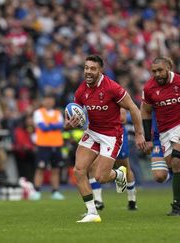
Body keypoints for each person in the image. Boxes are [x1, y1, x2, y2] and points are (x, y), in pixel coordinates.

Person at [64, 55, 145, 223]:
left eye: (93, 69)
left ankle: (118, 174)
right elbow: (74, 116)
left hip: (111, 135)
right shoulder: (81, 90)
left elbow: (133, 108)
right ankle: (92, 213)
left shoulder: (112, 88)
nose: (88, 71)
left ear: (100, 70)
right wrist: (69, 124)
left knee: (101, 177)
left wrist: (139, 134)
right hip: (92, 132)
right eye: (86, 68)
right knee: (79, 171)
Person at [140, 56, 180, 216]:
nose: (157, 74)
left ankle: (176, 206)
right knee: (168, 172)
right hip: (162, 132)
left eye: (160, 70)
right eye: (154, 71)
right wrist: (147, 139)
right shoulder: (149, 88)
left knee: (176, 162)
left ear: (169, 67)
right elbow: (146, 111)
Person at [90, 109, 138, 211]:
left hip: (117, 135)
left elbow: (123, 119)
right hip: (100, 135)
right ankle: (98, 200)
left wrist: (103, 118)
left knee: (125, 167)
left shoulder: (115, 98)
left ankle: (132, 200)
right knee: (93, 165)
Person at [31, 94, 65, 200]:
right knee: (40, 168)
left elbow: (61, 125)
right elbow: (42, 127)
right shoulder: (38, 112)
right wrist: (54, 125)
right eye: (47, 99)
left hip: (57, 144)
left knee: (55, 169)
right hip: (43, 145)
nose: (49, 102)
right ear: (43, 101)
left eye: (51, 100)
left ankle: (55, 191)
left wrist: (49, 125)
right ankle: (36, 191)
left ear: (53, 102)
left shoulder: (58, 113)